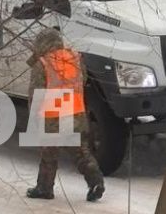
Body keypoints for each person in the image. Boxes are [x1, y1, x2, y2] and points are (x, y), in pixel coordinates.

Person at [25, 28, 105, 203]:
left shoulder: (43, 63)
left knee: (49, 154)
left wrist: (34, 116)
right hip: (74, 112)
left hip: (52, 115)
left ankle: (44, 188)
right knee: (81, 152)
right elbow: (82, 81)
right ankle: (96, 182)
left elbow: (36, 93)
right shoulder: (75, 58)